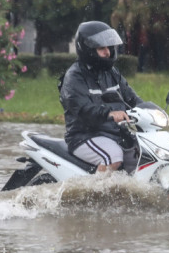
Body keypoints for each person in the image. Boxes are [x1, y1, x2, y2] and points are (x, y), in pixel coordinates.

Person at [59, 21, 143, 173]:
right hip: (84, 136)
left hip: (114, 134)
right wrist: (109, 114)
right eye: (101, 48)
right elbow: (83, 109)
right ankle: (97, 194)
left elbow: (132, 99)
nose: (108, 52)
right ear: (88, 49)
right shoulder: (74, 76)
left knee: (143, 155)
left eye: (108, 47)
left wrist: (149, 111)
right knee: (113, 157)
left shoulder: (112, 73)